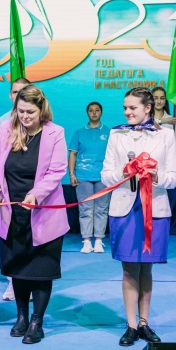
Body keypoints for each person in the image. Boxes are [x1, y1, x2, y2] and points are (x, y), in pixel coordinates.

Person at [0, 84, 69, 344]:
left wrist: (36, 194)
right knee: (18, 270)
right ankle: (21, 317)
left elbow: (57, 170)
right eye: (20, 111)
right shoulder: (6, 129)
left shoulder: (55, 133)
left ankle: (37, 322)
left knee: (41, 272)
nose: (24, 116)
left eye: (30, 112)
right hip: (12, 215)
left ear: (41, 109)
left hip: (43, 215)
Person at [101, 87, 176, 346]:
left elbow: (174, 177)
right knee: (128, 269)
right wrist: (124, 173)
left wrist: (156, 176)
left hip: (154, 210)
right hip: (124, 208)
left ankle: (144, 323)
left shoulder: (166, 135)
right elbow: (106, 175)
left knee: (147, 267)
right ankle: (131, 325)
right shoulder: (116, 134)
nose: (127, 112)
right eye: (125, 107)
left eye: (132, 107)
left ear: (148, 108)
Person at [0, 77, 31, 301]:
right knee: (9, 237)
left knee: (30, 239)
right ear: (10, 95)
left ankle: (30, 280)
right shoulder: (2, 122)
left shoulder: (40, 121)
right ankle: (13, 282)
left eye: (24, 91)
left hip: (32, 193)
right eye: (15, 92)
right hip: (8, 192)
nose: (19, 96)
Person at [68, 101, 111, 254]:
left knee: (101, 209)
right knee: (85, 209)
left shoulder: (109, 132)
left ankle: (98, 241)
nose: (94, 113)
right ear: (87, 113)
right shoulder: (79, 133)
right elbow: (72, 154)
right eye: (91, 110)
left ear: (101, 112)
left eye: (97, 110)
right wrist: (71, 174)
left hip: (103, 177)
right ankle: (86, 241)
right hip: (83, 176)